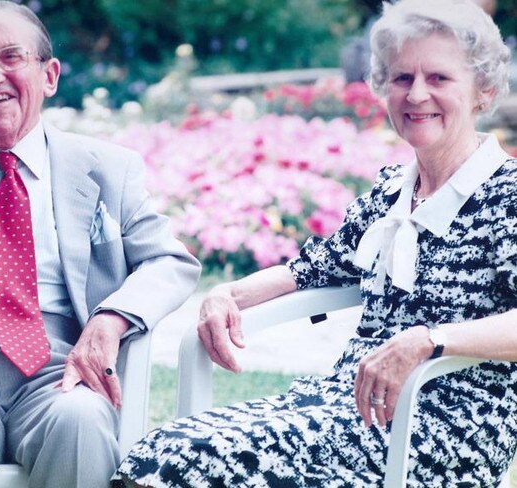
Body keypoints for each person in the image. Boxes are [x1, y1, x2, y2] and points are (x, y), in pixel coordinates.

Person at [116, 0, 516, 485]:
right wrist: (227, 294)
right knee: (164, 448)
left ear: (484, 90)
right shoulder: (394, 188)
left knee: (189, 459)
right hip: (345, 406)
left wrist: (428, 340)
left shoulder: (506, 191)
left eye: (439, 79)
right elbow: (316, 266)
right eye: (401, 78)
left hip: (445, 426)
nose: (416, 95)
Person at [0, 1, 200, 487]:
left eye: (11, 57)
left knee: (82, 423)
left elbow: (170, 261)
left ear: (50, 75)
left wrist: (110, 320)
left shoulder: (108, 167)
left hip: (57, 362)